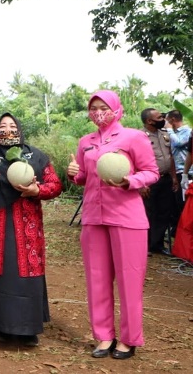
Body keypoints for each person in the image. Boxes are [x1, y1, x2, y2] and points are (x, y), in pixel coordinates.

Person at [67, 90, 158, 360]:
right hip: (94, 217)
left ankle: (129, 339)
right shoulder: (86, 141)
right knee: (97, 279)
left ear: (115, 108)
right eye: (93, 107)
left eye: (103, 106)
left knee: (130, 280)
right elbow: (84, 177)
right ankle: (104, 336)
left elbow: (151, 172)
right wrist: (75, 174)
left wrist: (131, 181)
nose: (98, 111)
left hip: (127, 217)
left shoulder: (133, 137)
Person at [0, 113, 62, 347]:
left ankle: (27, 328)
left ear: (20, 130)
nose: (8, 130)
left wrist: (37, 191)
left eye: (13, 126)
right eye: (3, 126)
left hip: (27, 226)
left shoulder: (35, 156)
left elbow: (55, 184)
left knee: (23, 271)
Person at [140, 107, 178, 255]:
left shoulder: (164, 134)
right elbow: (135, 161)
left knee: (164, 212)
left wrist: (174, 177)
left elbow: (170, 157)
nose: (163, 120)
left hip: (166, 179)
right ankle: (146, 245)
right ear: (149, 121)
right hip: (149, 181)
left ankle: (157, 244)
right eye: (160, 118)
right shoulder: (140, 136)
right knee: (148, 213)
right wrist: (141, 184)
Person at [166, 109, 190, 236]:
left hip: (189, 173)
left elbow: (179, 143)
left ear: (172, 120)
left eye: (167, 119)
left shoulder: (188, 132)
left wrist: (169, 130)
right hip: (179, 173)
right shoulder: (172, 133)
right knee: (178, 205)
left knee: (186, 205)